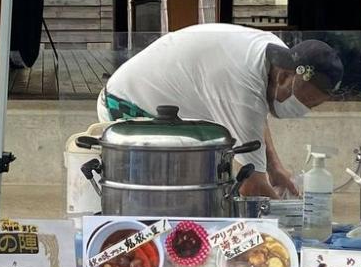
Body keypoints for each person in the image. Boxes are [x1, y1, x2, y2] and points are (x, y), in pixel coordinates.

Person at [99, 24, 342, 198]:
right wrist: (288, 222)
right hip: (127, 106)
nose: (304, 109)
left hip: (168, 102)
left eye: (313, 105)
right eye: (305, 100)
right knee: (166, 197)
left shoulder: (278, 56)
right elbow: (252, 187)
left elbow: (254, 118)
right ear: (285, 77)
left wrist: (274, 166)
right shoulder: (241, 83)